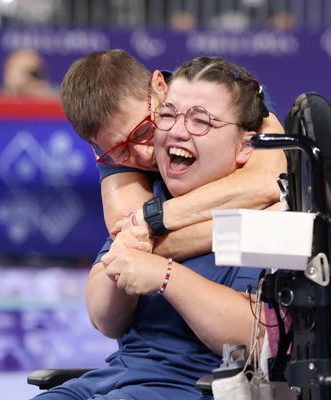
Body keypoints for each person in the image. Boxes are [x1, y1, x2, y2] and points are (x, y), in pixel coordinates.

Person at [31, 56, 274, 400]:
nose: (175, 131)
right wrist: (129, 249)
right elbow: (104, 320)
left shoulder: (265, 213)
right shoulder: (146, 199)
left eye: (200, 121)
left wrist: (165, 274)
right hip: (112, 378)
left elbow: (256, 336)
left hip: (190, 386)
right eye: (169, 116)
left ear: (244, 146)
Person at [60, 49, 286, 261]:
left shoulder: (229, 90)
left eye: (145, 130)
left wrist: (155, 218)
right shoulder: (113, 149)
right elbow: (133, 243)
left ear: (160, 86)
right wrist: (251, 223)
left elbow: (269, 181)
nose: (145, 153)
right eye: (122, 151)